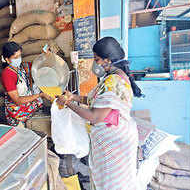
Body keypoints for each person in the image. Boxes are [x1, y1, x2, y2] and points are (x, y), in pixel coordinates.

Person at [56, 37, 143, 190]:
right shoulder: (114, 77)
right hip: (116, 137)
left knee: (112, 184)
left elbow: (95, 116)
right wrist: (74, 97)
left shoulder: (112, 82)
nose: (95, 63)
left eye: (96, 59)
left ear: (107, 60)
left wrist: (67, 103)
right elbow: (95, 100)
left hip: (114, 143)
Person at [0, 41, 53, 126]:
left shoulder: (23, 67)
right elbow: (17, 100)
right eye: (15, 57)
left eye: (20, 56)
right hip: (17, 112)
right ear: (7, 60)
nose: (19, 59)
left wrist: (44, 55)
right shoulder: (7, 74)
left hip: (30, 107)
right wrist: (40, 95)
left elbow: (38, 65)